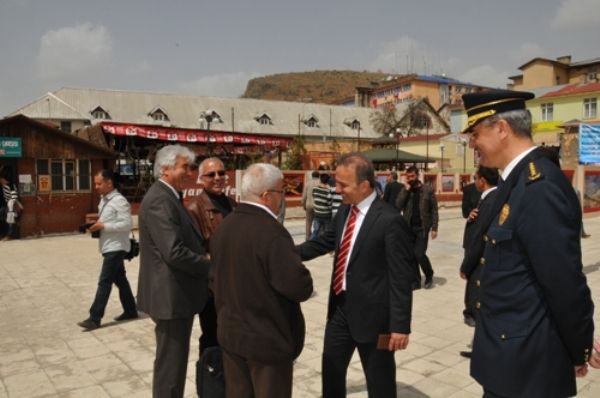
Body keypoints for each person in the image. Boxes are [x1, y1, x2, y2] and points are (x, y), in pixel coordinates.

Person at [463, 89, 595, 397]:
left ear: (502, 129)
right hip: (507, 361)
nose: (471, 142)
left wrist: (579, 347)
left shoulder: (539, 188)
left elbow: (562, 281)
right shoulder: (515, 181)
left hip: (528, 369)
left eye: (475, 132)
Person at [298, 153, 415, 398]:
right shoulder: (344, 211)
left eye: (343, 185)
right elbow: (323, 242)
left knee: (380, 381)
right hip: (340, 311)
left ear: (364, 185)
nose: (336, 189)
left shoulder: (390, 220)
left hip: (376, 319)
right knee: (331, 371)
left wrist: (400, 326)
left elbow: (400, 278)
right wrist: (283, 253)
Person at [211, 163, 313, 398]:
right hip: (266, 343)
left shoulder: (225, 226)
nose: (283, 198)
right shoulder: (271, 232)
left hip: (232, 336)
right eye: (281, 192)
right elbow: (298, 287)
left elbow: (213, 279)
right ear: (267, 196)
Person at [137, 144, 211, 398]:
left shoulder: (169, 196)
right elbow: (174, 251)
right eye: (185, 167)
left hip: (175, 294)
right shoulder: (160, 199)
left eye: (192, 167)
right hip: (171, 296)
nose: (191, 172)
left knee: (173, 362)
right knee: (171, 365)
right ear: (166, 168)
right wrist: (210, 264)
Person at [185, 157, 236, 393]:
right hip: (211, 290)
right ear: (201, 179)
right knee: (213, 340)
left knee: (233, 340)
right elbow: (194, 253)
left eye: (221, 173)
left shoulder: (233, 204)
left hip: (234, 286)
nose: (217, 178)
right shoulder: (194, 208)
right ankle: (210, 388)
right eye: (211, 174)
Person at [77, 170, 138, 330]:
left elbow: (127, 224)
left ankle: (94, 317)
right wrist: (95, 224)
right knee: (120, 280)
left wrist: (104, 226)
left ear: (109, 183)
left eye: (99, 183)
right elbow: (107, 220)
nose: (96, 186)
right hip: (108, 245)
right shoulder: (103, 200)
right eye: (95, 183)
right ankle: (131, 310)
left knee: (104, 282)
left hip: (116, 247)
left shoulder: (119, 201)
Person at [458, 166, 499, 356]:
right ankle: (480, 346)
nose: (474, 182)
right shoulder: (493, 199)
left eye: (475, 178)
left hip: (482, 263)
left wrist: (466, 266)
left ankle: (483, 350)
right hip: (488, 262)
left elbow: (478, 238)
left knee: (479, 304)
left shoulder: (490, 201)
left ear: (482, 180)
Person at [395, 166, 438, 289]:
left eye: (412, 176)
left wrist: (435, 227)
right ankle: (415, 281)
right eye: (408, 177)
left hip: (422, 228)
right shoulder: (405, 190)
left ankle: (429, 274)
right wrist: (406, 190)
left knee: (419, 254)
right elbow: (398, 206)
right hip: (408, 228)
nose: (410, 179)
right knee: (411, 255)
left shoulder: (427, 190)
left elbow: (434, 210)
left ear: (417, 175)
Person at [0, 169, 23, 240]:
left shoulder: (11, 186)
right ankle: (3, 234)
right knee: (2, 219)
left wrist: (11, 205)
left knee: (10, 219)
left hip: (10, 204)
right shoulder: (3, 186)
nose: (1, 181)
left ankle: (9, 235)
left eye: (1, 179)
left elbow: (14, 197)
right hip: (4, 205)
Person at [311, 173, 332, 239]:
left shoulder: (314, 189)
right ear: (328, 181)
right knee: (326, 232)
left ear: (320, 179)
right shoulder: (328, 191)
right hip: (326, 215)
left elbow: (314, 198)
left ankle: (311, 244)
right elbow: (329, 204)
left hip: (317, 213)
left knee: (315, 231)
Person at [301, 170, 320, 240]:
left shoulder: (307, 183)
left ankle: (307, 237)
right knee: (317, 222)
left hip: (309, 205)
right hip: (318, 206)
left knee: (308, 222)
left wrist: (303, 205)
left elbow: (304, 196)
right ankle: (316, 237)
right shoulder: (320, 183)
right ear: (319, 176)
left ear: (312, 176)